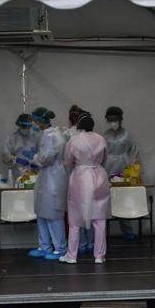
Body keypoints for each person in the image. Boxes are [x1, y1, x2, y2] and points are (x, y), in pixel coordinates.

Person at [60, 112, 110, 264]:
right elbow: (104, 158)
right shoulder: (101, 139)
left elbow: (68, 160)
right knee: (99, 219)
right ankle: (99, 256)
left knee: (75, 219)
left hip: (80, 178)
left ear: (79, 126)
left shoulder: (75, 140)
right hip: (98, 176)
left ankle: (72, 255)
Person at [26, 107, 68, 260]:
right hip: (47, 176)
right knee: (42, 212)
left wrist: (34, 158)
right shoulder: (49, 134)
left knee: (53, 213)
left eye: (35, 120)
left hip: (53, 176)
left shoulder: (51, 135)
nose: (34, 123)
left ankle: (60, 248)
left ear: (41, 121)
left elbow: (46, 158)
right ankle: (45, 246)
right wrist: (37, 158)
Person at [103, 106, 138, 241]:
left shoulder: (127, 134)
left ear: (120, 119)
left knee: (124, 199)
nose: (113, 122)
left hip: (123, 167)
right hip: (108, 167)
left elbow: (133, 152)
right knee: (107, 199)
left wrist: (133, 169)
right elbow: (102, 153)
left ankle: (127, 231)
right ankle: (103, 232)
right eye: (110, 120)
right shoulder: (105, 135)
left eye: (115, 119)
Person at [63, 105, 94, 254]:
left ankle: (81, 244)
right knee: (91, 212)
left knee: (77, 213)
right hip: (92, 177)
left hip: (75, 176)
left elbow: (67, 160)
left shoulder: (68, 135)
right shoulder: (95, 138)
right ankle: (92, 243)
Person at [1, 113, 40, 180]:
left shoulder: (35, 138)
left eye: (28, 127)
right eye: (23, 127)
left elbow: (42, 155)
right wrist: (16, 159)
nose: (26, 129)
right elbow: (5, 156)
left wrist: (36, 163)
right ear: (19, 125)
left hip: (34, 174)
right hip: (17, 174)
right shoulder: (12, 138)